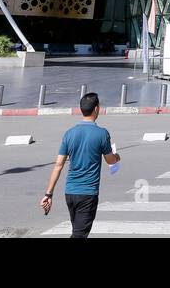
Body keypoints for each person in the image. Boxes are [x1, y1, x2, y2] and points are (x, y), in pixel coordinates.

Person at [42, 92, 120, 237]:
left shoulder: (69, 133)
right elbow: (110, 160)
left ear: (81, 109)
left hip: (70, 193)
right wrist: (117, 157)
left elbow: (58, 165)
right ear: (96, 109)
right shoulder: (102, 134)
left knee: (77, 232)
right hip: (88, 194)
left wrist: (48, 194)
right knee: (79, 235)